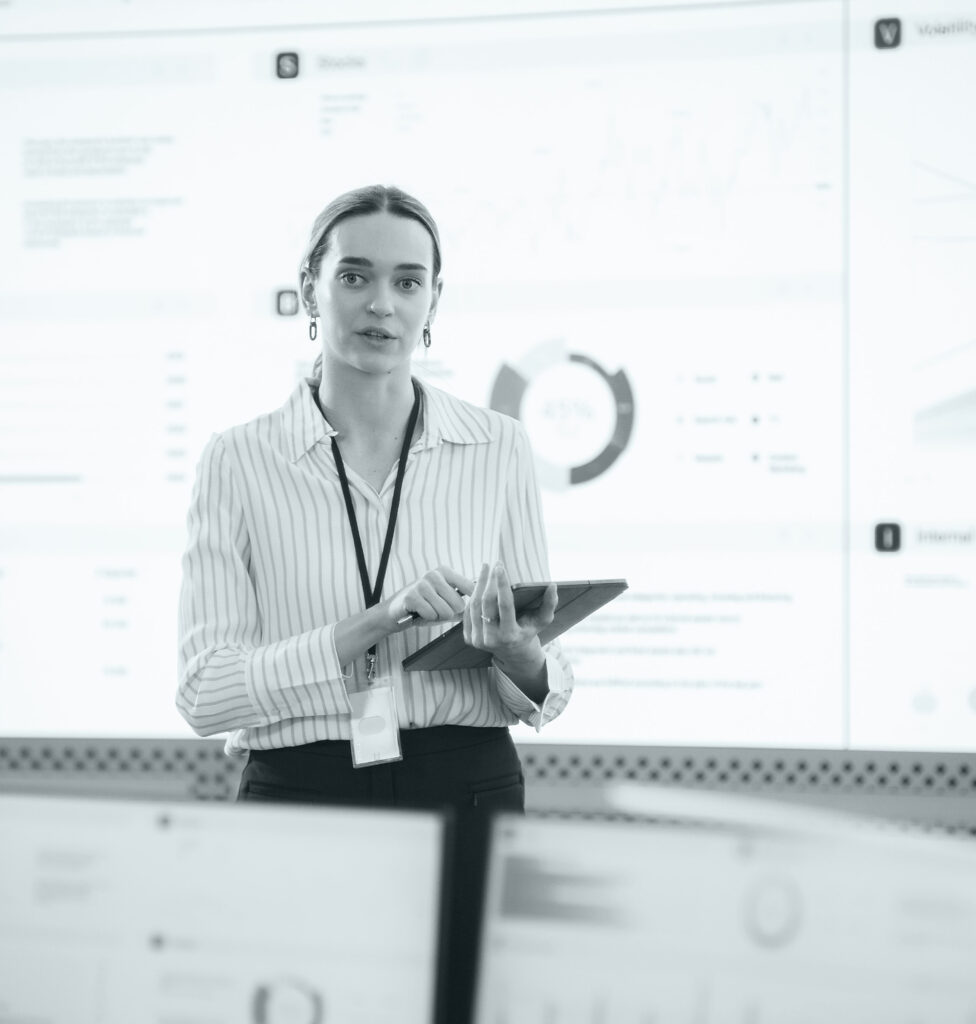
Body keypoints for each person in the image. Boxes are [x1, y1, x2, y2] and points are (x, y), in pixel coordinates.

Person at [176, 184, 573, 1023]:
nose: (381, 305)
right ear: (309, 288)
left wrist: (516, 653)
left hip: (464, 782)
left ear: (433, 302)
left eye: (407, 281)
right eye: (354, 277)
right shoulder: (239, 462)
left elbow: (547, 688)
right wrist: (363, 630)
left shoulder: (497, 448)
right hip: (300, 792)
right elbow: (204, 694)